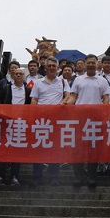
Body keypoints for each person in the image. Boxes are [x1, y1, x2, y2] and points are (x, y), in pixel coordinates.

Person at [66, 54, 109, 188]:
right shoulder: (78, 80)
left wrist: (105, 112)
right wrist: (66, 106)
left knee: (93, 149)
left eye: (93, 62)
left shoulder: (102, 80)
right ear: (85, 64)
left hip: (95, 120)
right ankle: (79, 177)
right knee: (77, 149)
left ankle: (91, 177)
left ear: (97, 64)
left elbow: (106, 98)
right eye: (88, 62)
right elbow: (73, 97)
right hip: (79, 119)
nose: (90, 64)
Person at [29, 57, 70, 185]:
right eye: (49, 66)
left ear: (58, 68)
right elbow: (34, 99)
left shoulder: (62, 81)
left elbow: (68, 95)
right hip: (41, 121)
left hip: (57, 120)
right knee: (38, 148)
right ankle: (37, 177)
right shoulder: (38, 82)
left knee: (55, 149)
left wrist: (62, 104)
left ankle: (54, 177)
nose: (52, 68)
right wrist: (33, 113)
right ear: (45, 68)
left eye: (54, 66)